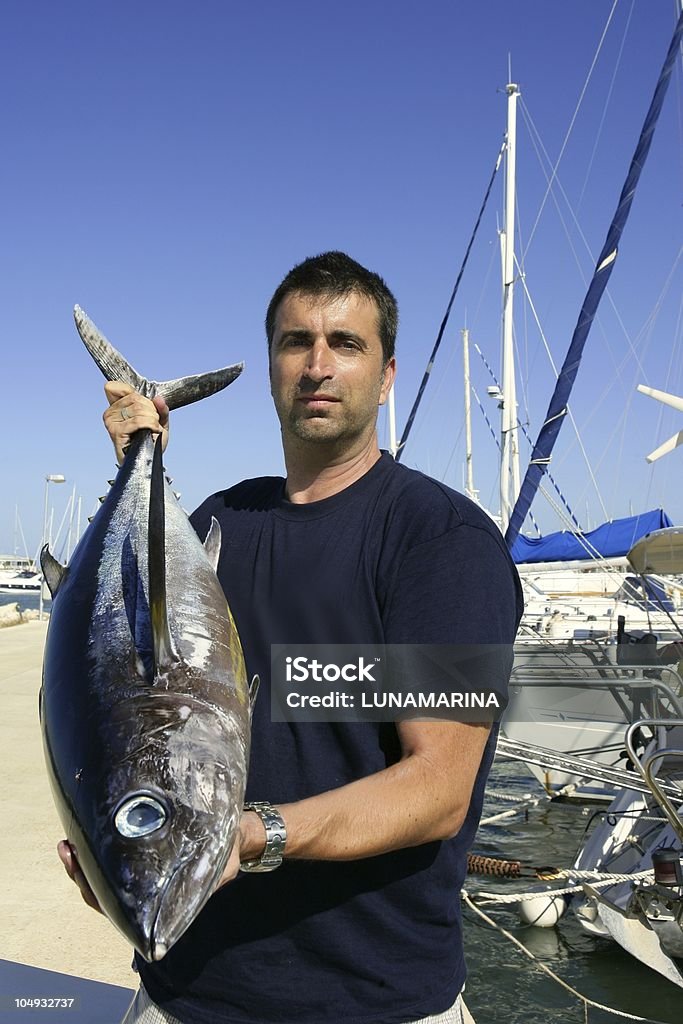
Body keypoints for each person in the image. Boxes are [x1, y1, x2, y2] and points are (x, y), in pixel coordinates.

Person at [59, 251, 523, 1024]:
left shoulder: (439, 541)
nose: (316, 365)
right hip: (184, 988)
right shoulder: (216, 521)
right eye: (293, 342)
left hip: (374, 1001)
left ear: (386, 375)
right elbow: (128, 682)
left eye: (345, 343)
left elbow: (439, 789)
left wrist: (252, 837)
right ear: (274, 367)